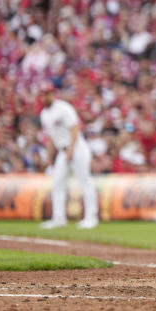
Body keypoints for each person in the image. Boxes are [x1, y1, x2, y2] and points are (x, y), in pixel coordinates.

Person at [38, 82, 99, 229]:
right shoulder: (44, 114)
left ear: (53, 94)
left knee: (85, 182)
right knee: (58, 183)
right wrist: (49, 156)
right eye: (44, 94)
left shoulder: (63, 108)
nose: (46, 96)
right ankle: (59, 218)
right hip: (62, 151)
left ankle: (91, 217)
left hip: (76, 147)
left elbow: (74, 129)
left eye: (48, 93)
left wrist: (71, 150)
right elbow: (51, 138)